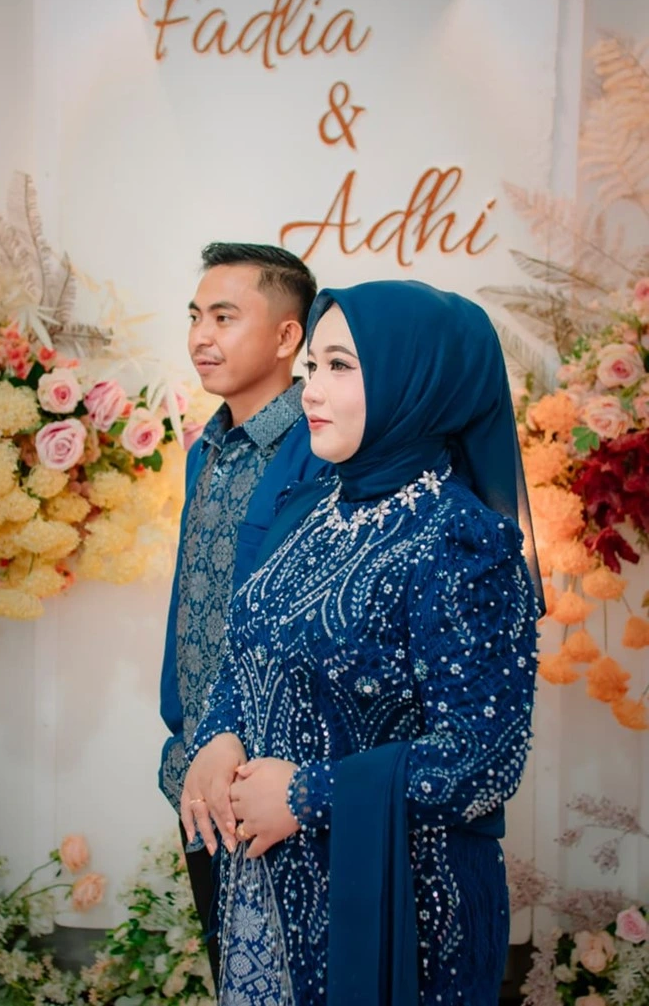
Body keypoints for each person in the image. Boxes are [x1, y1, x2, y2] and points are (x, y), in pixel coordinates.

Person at [182, 279, 542, 1006]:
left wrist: (306, 794)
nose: (311, 390)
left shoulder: (461, 542)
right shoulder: (307, 509)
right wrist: (220, 732)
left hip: (401, 912)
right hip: (268, 896)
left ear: (419, 382)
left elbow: (484, 758)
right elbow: (247, 652)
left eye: (341, 367)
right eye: (312, 366)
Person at [159, 242, 331, 987]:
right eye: (196, 316)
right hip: (195, 764)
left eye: (224, 317)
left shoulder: (321, 447)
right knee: (232, 975)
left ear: (289, 336)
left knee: (293, 981)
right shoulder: (207, 446)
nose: (202, 336)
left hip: (273, 783)